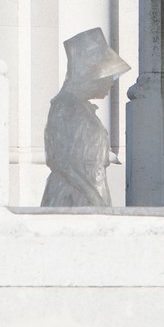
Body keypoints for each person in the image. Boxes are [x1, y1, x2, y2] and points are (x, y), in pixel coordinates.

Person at [41, 28, 130, 207]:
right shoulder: (65, 106)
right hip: (72, 193)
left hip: (91, 187)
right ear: (93, 78)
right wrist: (92, 194)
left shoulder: (83, 108)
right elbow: (59, 159)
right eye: (108, 77)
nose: (111, 84)